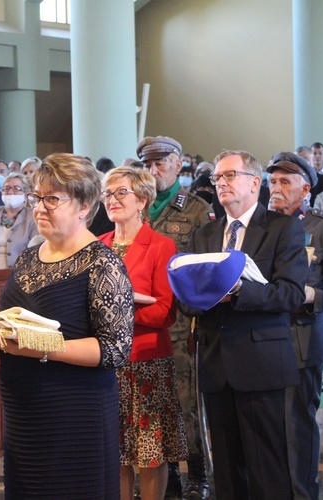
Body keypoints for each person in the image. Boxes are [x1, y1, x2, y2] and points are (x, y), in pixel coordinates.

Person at [0, 153, 134, 499]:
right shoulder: (28, 258)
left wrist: (40, 346)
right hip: (25, 415)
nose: (39, 207)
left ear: (84, 206)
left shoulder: (103, 263)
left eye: (52, 199)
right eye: (36, 197)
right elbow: (13, 329)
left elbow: (115, 349)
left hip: (75, 413)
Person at [181, 149, 308, 498]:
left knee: (268, 469)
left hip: (261, 362)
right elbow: (186, 300)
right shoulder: (205, 234)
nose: (221, 183)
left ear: (255, 183)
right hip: (215, 363)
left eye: (230, 175)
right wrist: (198, 296)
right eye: (217, 178)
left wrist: (238, 291)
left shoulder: (283, 229)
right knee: (225, 470)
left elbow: (291, 294)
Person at [98, 167, 188, 500]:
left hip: (146, 362)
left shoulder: (161, 245)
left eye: (121, 192)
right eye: (108, 194)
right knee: (115, 452)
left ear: (143, 199)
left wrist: (118, 308)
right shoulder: (98, 245)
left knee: (150, 453)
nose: (112, 200)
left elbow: (165, 312)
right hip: (107, 363)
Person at [137, 135, 213, 498]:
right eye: (148, 165)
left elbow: (202, 269)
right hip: (142, 322)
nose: (154, 171)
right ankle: (168, 476)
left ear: (178, 164)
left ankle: (198, 471)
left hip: (182, 323)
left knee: (185, 403)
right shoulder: (138, 208)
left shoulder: (196, 209)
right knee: (152, 406)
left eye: (160, 163)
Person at [266, 152, 323, 499]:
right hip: (263, 337)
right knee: (267, 425)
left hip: (303, 335)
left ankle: (302, 493)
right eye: (272, 182)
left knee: (297, 424)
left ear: (306, 189)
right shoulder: (261, 224)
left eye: (285, 182)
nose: (276, 189)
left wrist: (310, 294)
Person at [0, 173, 38, 270]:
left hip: (19, 276)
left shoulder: (32, 217)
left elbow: (35, 251)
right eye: (6, 188)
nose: (10, 192)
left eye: (16, 188)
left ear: (25, 194)